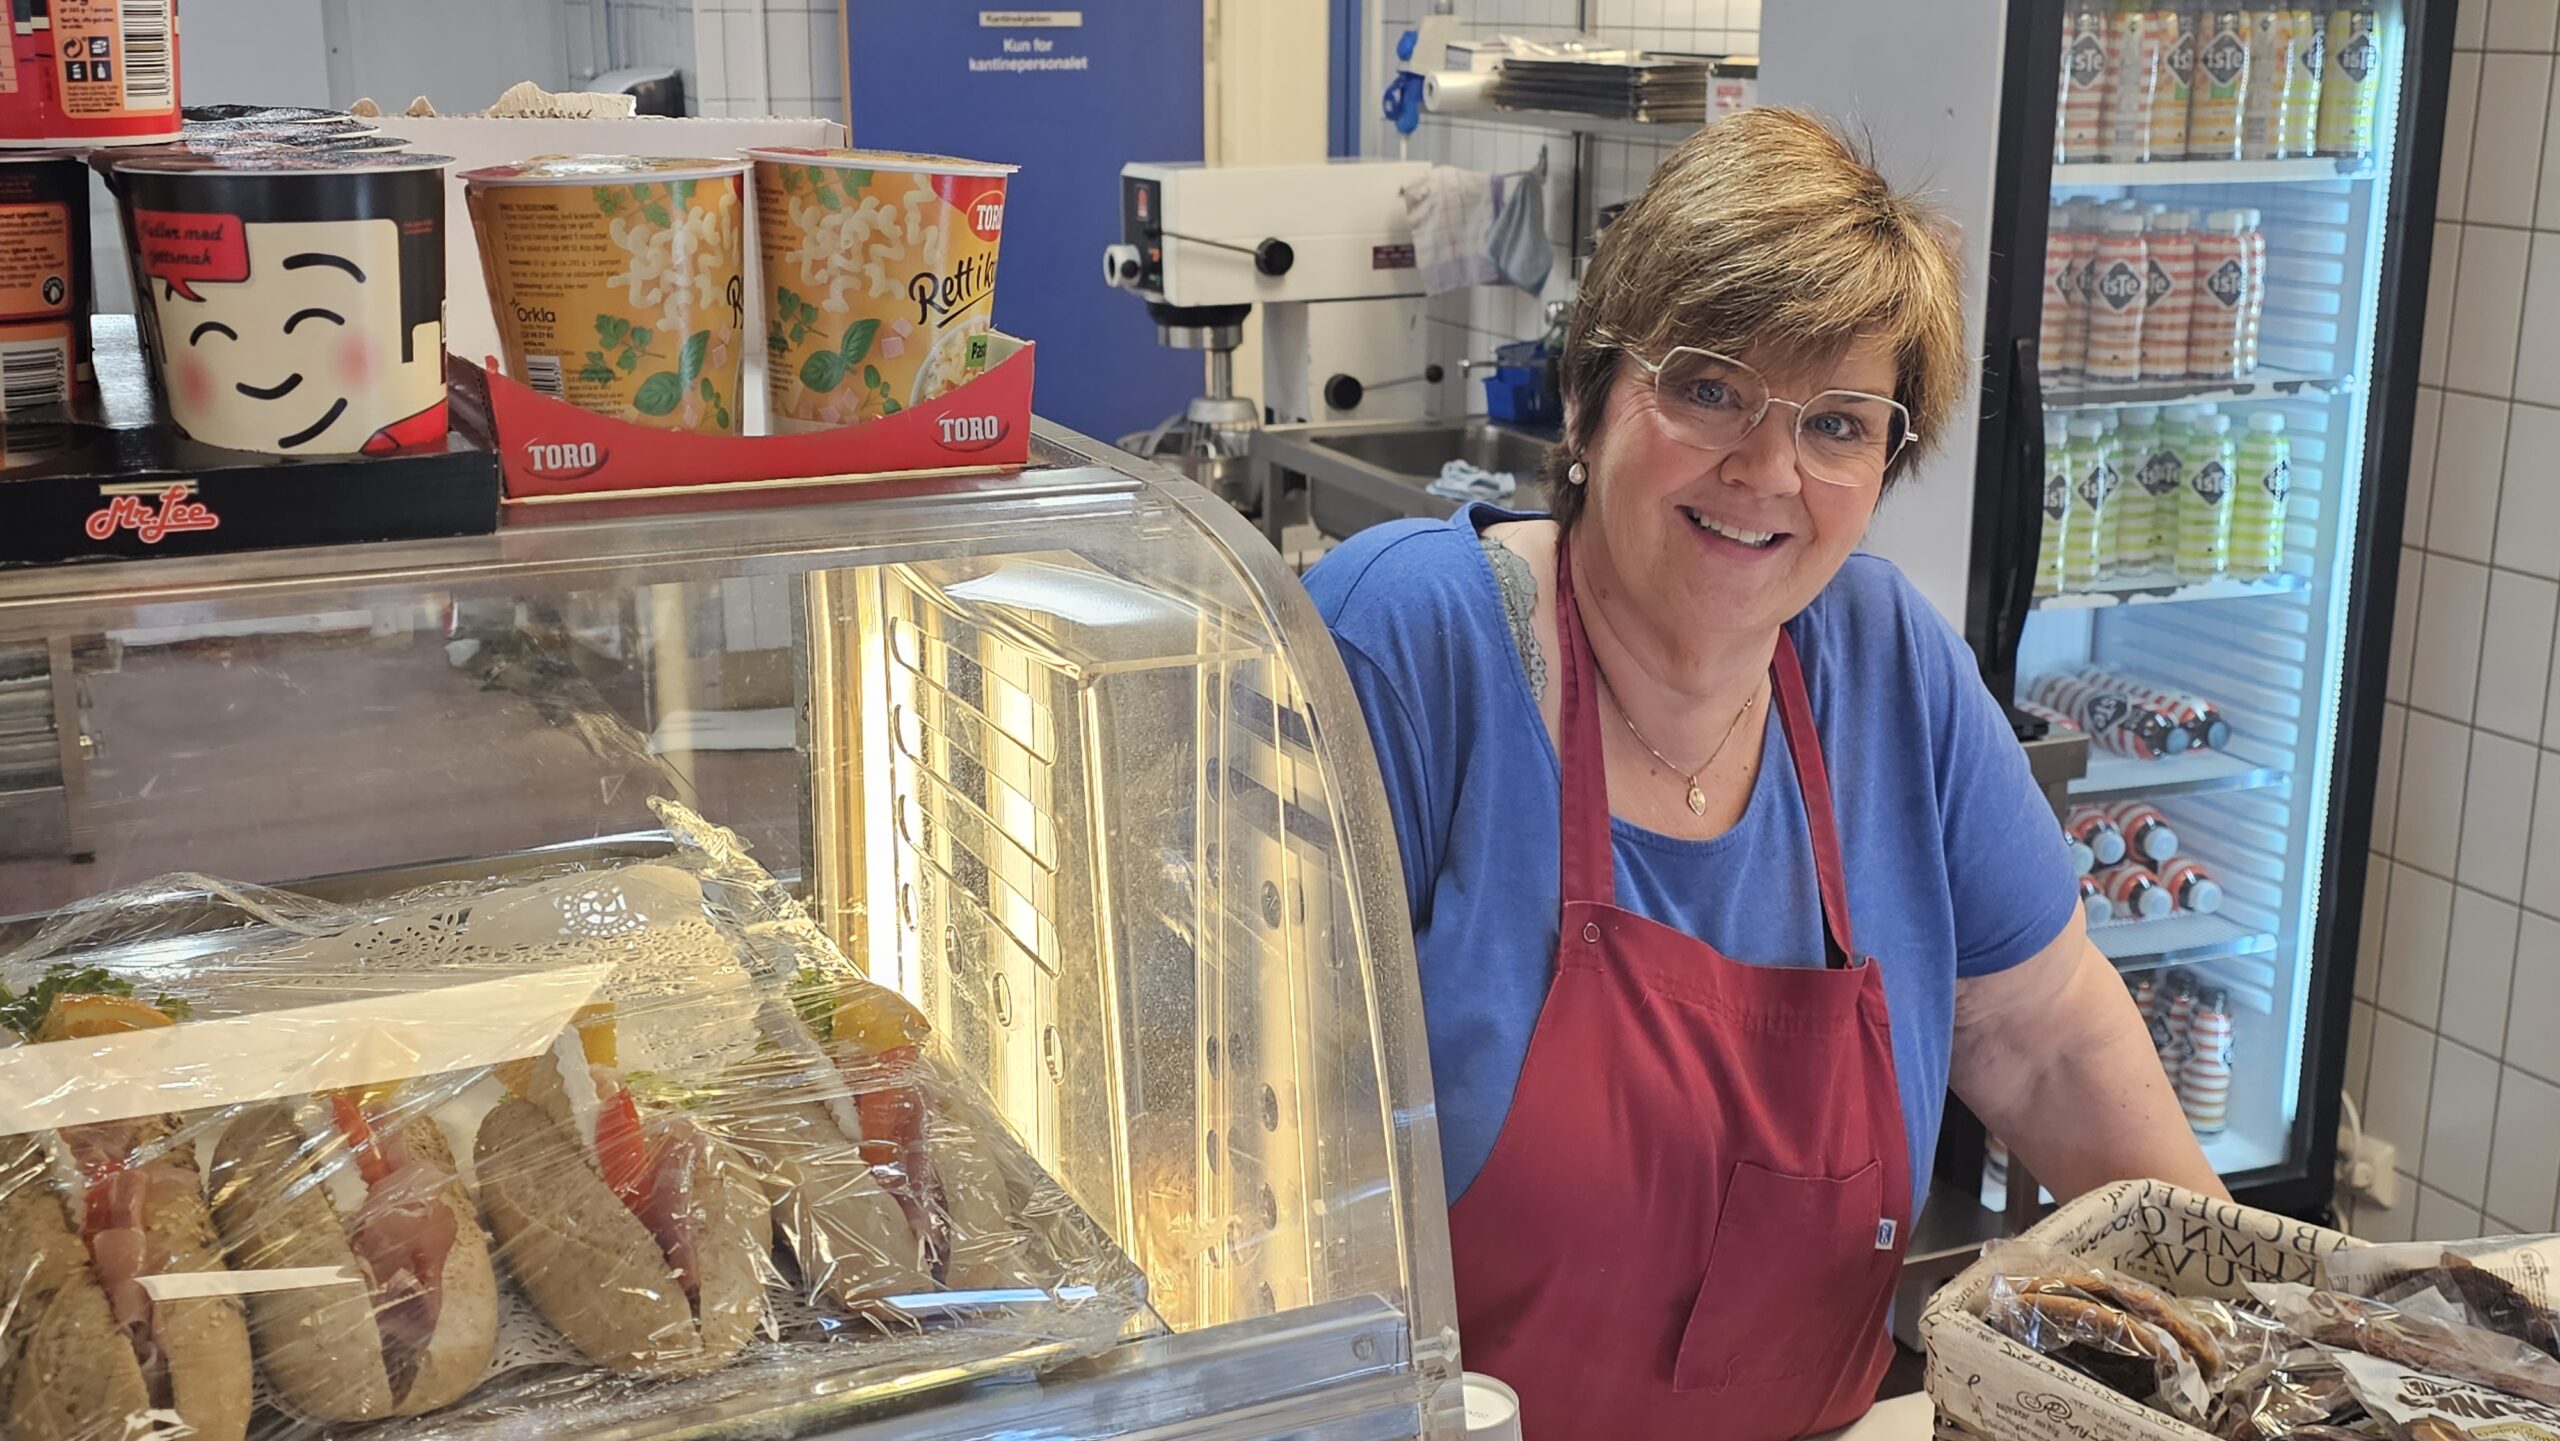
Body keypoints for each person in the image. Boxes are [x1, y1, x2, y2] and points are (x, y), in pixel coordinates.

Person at [1302, 109, 2224, 1441]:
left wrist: (2259, 1340)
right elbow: (1237, 1153)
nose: (1768, 469)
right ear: (1588, 392)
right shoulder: (1408, 642)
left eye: (1839, 423)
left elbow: (2049, 1040)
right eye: (1711, 386)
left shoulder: (1887, 663)